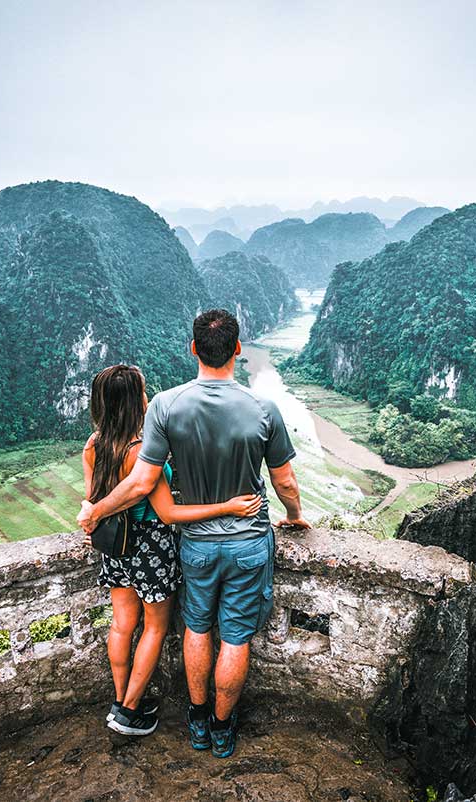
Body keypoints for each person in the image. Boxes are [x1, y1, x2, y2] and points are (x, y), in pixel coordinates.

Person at [78, 309, 309, 759]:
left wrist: (96, 511)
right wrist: (296, 515)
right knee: (236, 637)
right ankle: (223, 727)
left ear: (193, 349)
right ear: (238, 349)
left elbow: (142, 483)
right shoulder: (264, 409)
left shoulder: (165, 404)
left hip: (196, 545)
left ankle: (197, 720)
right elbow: (284, 483)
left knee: (197, 629)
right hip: (247, 543)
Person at [79, 364, 264, 737]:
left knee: (122, 624)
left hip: (114, 546)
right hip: (150, 545)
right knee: (155, 627)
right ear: (138, 402)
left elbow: (93, 501)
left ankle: (120, 700)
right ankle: (129, 712)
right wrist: (228, 506)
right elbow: (168, 513)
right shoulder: (142, 455)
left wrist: (94, 517)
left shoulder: (93, 445)